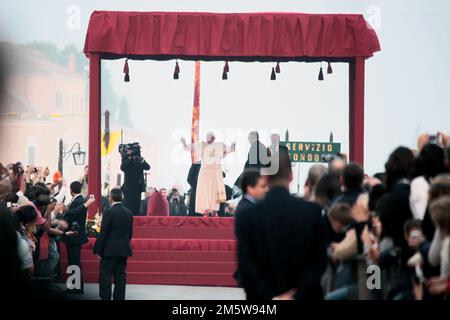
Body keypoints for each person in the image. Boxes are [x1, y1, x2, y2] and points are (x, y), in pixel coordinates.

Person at [235, 152, 326, 300]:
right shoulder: (312, 212)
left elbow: (246, 266)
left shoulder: (247, 215)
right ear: (291, 176)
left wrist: (273, 297)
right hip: (305, 295)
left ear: (265, 177)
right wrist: (296, 293)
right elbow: (319, 262)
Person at [181, 132, 236, 216]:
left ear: (214, 138)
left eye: (212, 138)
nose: (210, 140)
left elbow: (230, 149)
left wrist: (232, 146)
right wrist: (184, 144)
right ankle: (206, 211)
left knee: (216, 192)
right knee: (204, 193)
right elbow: (190, 147)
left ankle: (214, 211)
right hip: (205, 174)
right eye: (209, 138)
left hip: (215, 173)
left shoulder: (219, 146)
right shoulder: (202, 145)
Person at [93, 188, 133, 300]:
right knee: (120, 276)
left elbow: (103, 232)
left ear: (111, 197)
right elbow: (130, 233)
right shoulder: (128, 213)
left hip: (109, 251)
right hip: (123, 250)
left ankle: (105, 297)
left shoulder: (109, 212)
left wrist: (98, 250)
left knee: (106, 276)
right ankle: (119, 297)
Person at [62, 181, 88, 294]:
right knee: (73, 261)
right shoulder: (78, 201)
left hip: (74, 237)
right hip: (73, 236)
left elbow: (71, 214)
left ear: (71, 190)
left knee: (74, 262)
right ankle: (75, 286)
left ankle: (76, 287)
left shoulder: (79, 201)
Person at [120, 148, 150, 215]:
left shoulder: (139, 161)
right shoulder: (126, 160)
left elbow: (148, 167)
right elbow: (123, 167)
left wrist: (142, 160)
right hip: (128, 188)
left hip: (138, 188)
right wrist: (129, 158)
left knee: (137, 207)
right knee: (128, 207)